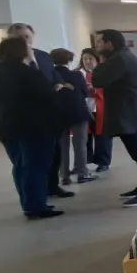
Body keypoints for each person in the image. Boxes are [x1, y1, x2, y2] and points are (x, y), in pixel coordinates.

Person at [0, 22, 72, 199]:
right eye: (19, 37)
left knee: (51, 156)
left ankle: (51, 187)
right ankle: (32, 200)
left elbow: (55, 78)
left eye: (26, 36)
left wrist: (59, 85)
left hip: (47, 119)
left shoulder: (43, 56)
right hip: (24, 121)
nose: (24, 41)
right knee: (26, 163)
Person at [91, 29, 137, 206]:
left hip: (129, 115)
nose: (97, 47)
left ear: (110, 44)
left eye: (99, 42)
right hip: (131, 114)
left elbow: (97, 80)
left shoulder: (119, 60)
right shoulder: (123, 57)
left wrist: (97, 64)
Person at [52, 49, 97, 185]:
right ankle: (82, 173)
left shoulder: (50, 75)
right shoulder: (76, 75)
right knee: (80, 144)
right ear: (69, 60)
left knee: (62, 145)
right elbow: (84, 92)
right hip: (78, 113)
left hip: (58, 114)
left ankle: (64, 175)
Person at [80, 49, 113, 171]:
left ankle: (103, 162)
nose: (87, 61)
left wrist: (95, 90)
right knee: (84, 137)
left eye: (90, 58)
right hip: (84, 108)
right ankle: (85, 161)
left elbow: (110, 89)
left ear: (97, 60)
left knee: (102, 137)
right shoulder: (79, 74)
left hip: (101, 107)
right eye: (85, 59)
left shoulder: (104, 72)